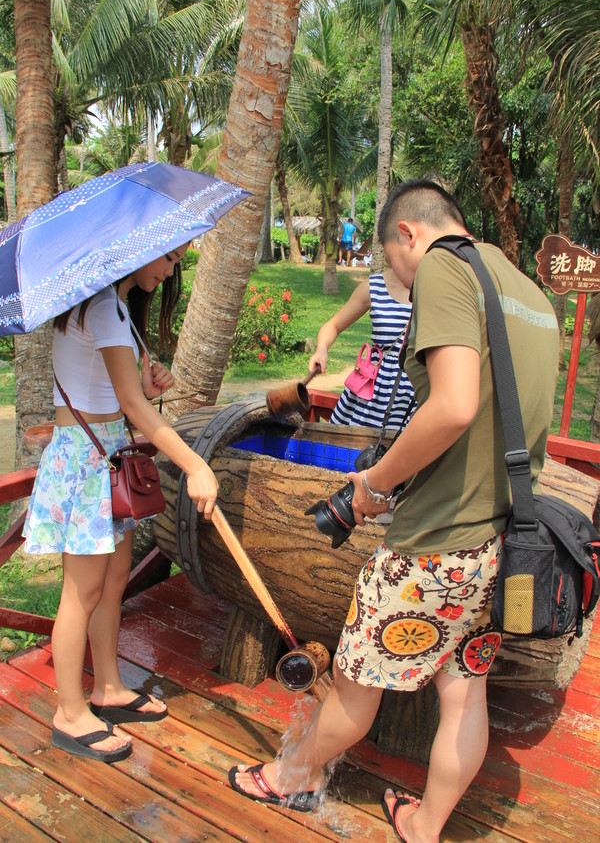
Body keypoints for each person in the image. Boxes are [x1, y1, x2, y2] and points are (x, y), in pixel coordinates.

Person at [229, 180, 559, 843]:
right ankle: (425, 824)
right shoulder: (525, 289)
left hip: (434, 541)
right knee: (464, 693)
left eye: (392, 262)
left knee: (355, 683)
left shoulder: (443, 264)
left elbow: (455, 406)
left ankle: (290, 778)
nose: (397, 281)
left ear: (408, 233)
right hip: (501, 538)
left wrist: (370, 488)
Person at [23, 242, 219, 763]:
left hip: (106, 460)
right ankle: (68, 712)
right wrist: (195, 464)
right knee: (81, 593)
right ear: (139, 251)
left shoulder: (108, 305)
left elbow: (121, 392)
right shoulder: (103, 308)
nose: (171, 269)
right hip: (91, 464)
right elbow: (133, 408)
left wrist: (149, 380)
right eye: (169, 258)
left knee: (112, 584)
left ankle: (107, 687)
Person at [308, 269, 415, 431]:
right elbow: (333, 325)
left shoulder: (441, 289)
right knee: (348, 448)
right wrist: (322, 350)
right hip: (371, 391)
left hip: (413, 390)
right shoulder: (375, 287)